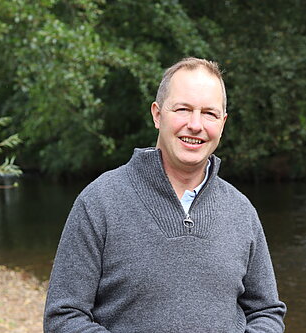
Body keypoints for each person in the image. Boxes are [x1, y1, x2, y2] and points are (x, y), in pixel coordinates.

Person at [44, 57, 286, 332]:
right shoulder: (99, 201)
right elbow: (63, 317)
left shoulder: (241, 211)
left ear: (223, 122)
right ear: (157, 115)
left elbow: (266, 312)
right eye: (183, 109)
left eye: (209, 113)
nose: (195, 125)